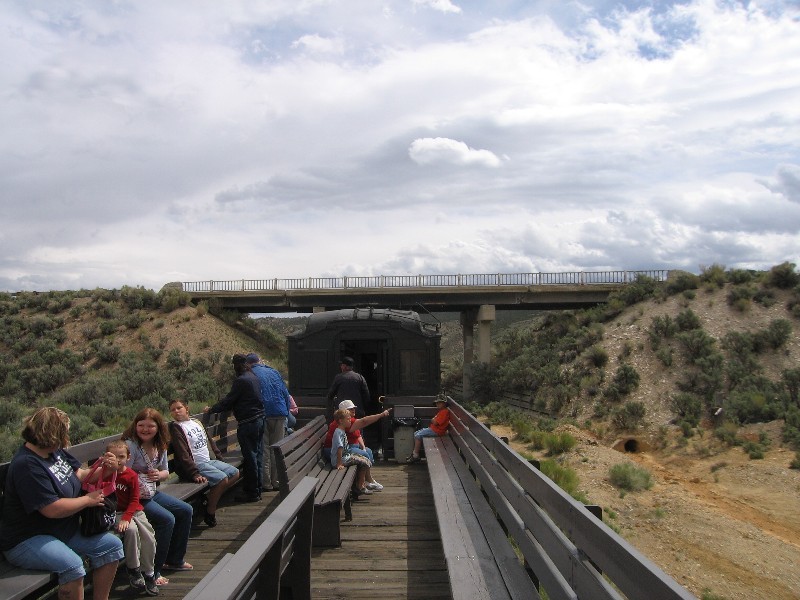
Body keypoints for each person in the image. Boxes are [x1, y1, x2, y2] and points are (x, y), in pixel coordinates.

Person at [0, 407, 124, 600]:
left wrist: (106, 469)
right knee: (73, 566)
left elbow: (81, 475)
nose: (66, 438)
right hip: (27, 538)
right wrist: (87, 500)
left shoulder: (54, 453)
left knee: (112, 546)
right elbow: (52, 509)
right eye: (63, 434)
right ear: (51, 435)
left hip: (60, 530)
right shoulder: (27, 465)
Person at [122, 408, 193, 587]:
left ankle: (175, 559)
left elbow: (165, 471)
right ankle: (154, 571)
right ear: (135, 426)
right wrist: (139, 475)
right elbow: (123, 474)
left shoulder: (160, 444)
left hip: (151, 492)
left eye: (150, 426)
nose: (145, 429)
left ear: (158, 427)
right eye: (141, 425)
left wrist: (158, 475)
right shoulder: (131, 446)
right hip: (135, 498)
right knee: (166, 520)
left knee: (185, 510)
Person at [89, 440, 159, 596]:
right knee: (131, 531)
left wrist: (127, 517)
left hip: (133, 511)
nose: (118, 460)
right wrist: (125, 520)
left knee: (149, 536)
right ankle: (133, 569)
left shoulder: (130, 475)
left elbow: (135, 500)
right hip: (116, 512)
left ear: (128, 457)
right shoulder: (103, 474)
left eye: (121, 456)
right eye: (113, 456)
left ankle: (149, 572)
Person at [168, 399, 240, 527]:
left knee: (234, 473)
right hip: (196, 465)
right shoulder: (176, 427)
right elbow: (182, 452)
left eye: (179, 408)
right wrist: (194, 473)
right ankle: (210, 512)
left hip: (209, 460)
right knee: (222, 479)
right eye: (173, 410)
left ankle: (209, 499)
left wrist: (219, 458)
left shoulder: (196, 422)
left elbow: (209, 442)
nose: (176, 411)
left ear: (187, 408)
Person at [204, 354, 265, 502]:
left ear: (236, 365)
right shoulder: (253, 377)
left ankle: (252, 492)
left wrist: (212, 409)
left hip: (248, 422)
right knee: (257, 455)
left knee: (250, 456)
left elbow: (229, 401)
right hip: (259, 420)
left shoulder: (241, 380)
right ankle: (258, 488)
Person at [245, 353, 291, 492]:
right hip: (280, 413)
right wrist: (286, 412)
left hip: (263, 415)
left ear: (248, 364)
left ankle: (266, 483)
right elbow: (285, 394)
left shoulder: (250, 374)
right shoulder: (274, 372)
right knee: (277, 449)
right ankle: (277, 481)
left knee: (264, 449)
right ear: (259, 361)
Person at [322, 399, 390, 491]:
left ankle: (367, 480)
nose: (353, 410)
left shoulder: (348, 421)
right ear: (342, 413)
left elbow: (358, 435)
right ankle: (364, 483)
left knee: (368, 451)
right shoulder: (341, 424)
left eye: (353, 408)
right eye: (350, 409)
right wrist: (381, 415)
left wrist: (363, 446)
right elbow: (364, 421)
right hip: (333, 451)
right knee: (364, 455)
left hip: (346, 449)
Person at [330, 409, 375, 496]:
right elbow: (339, 448)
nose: (350, 420)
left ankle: (359, 485)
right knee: (365, 463)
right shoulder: (338, 433)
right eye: (348, 419)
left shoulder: (342, 431)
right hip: (340, 460)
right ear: (341, 421)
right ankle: (360, 487)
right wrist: (339, 464)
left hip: (345, 457)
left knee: (365, 459)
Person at [406, 396, 451, 463]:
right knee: (416, 433)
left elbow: (435, 422)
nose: (438, 404)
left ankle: (415, 456)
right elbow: (434, 420)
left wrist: (433, 419)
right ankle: (414, 453)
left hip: (437, 431)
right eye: (437, 403)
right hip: (434, 429)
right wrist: (433, 419)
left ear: (444, 403)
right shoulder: (442, 411)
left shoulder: (444, 412)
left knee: (418, 436)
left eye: (440, 403)